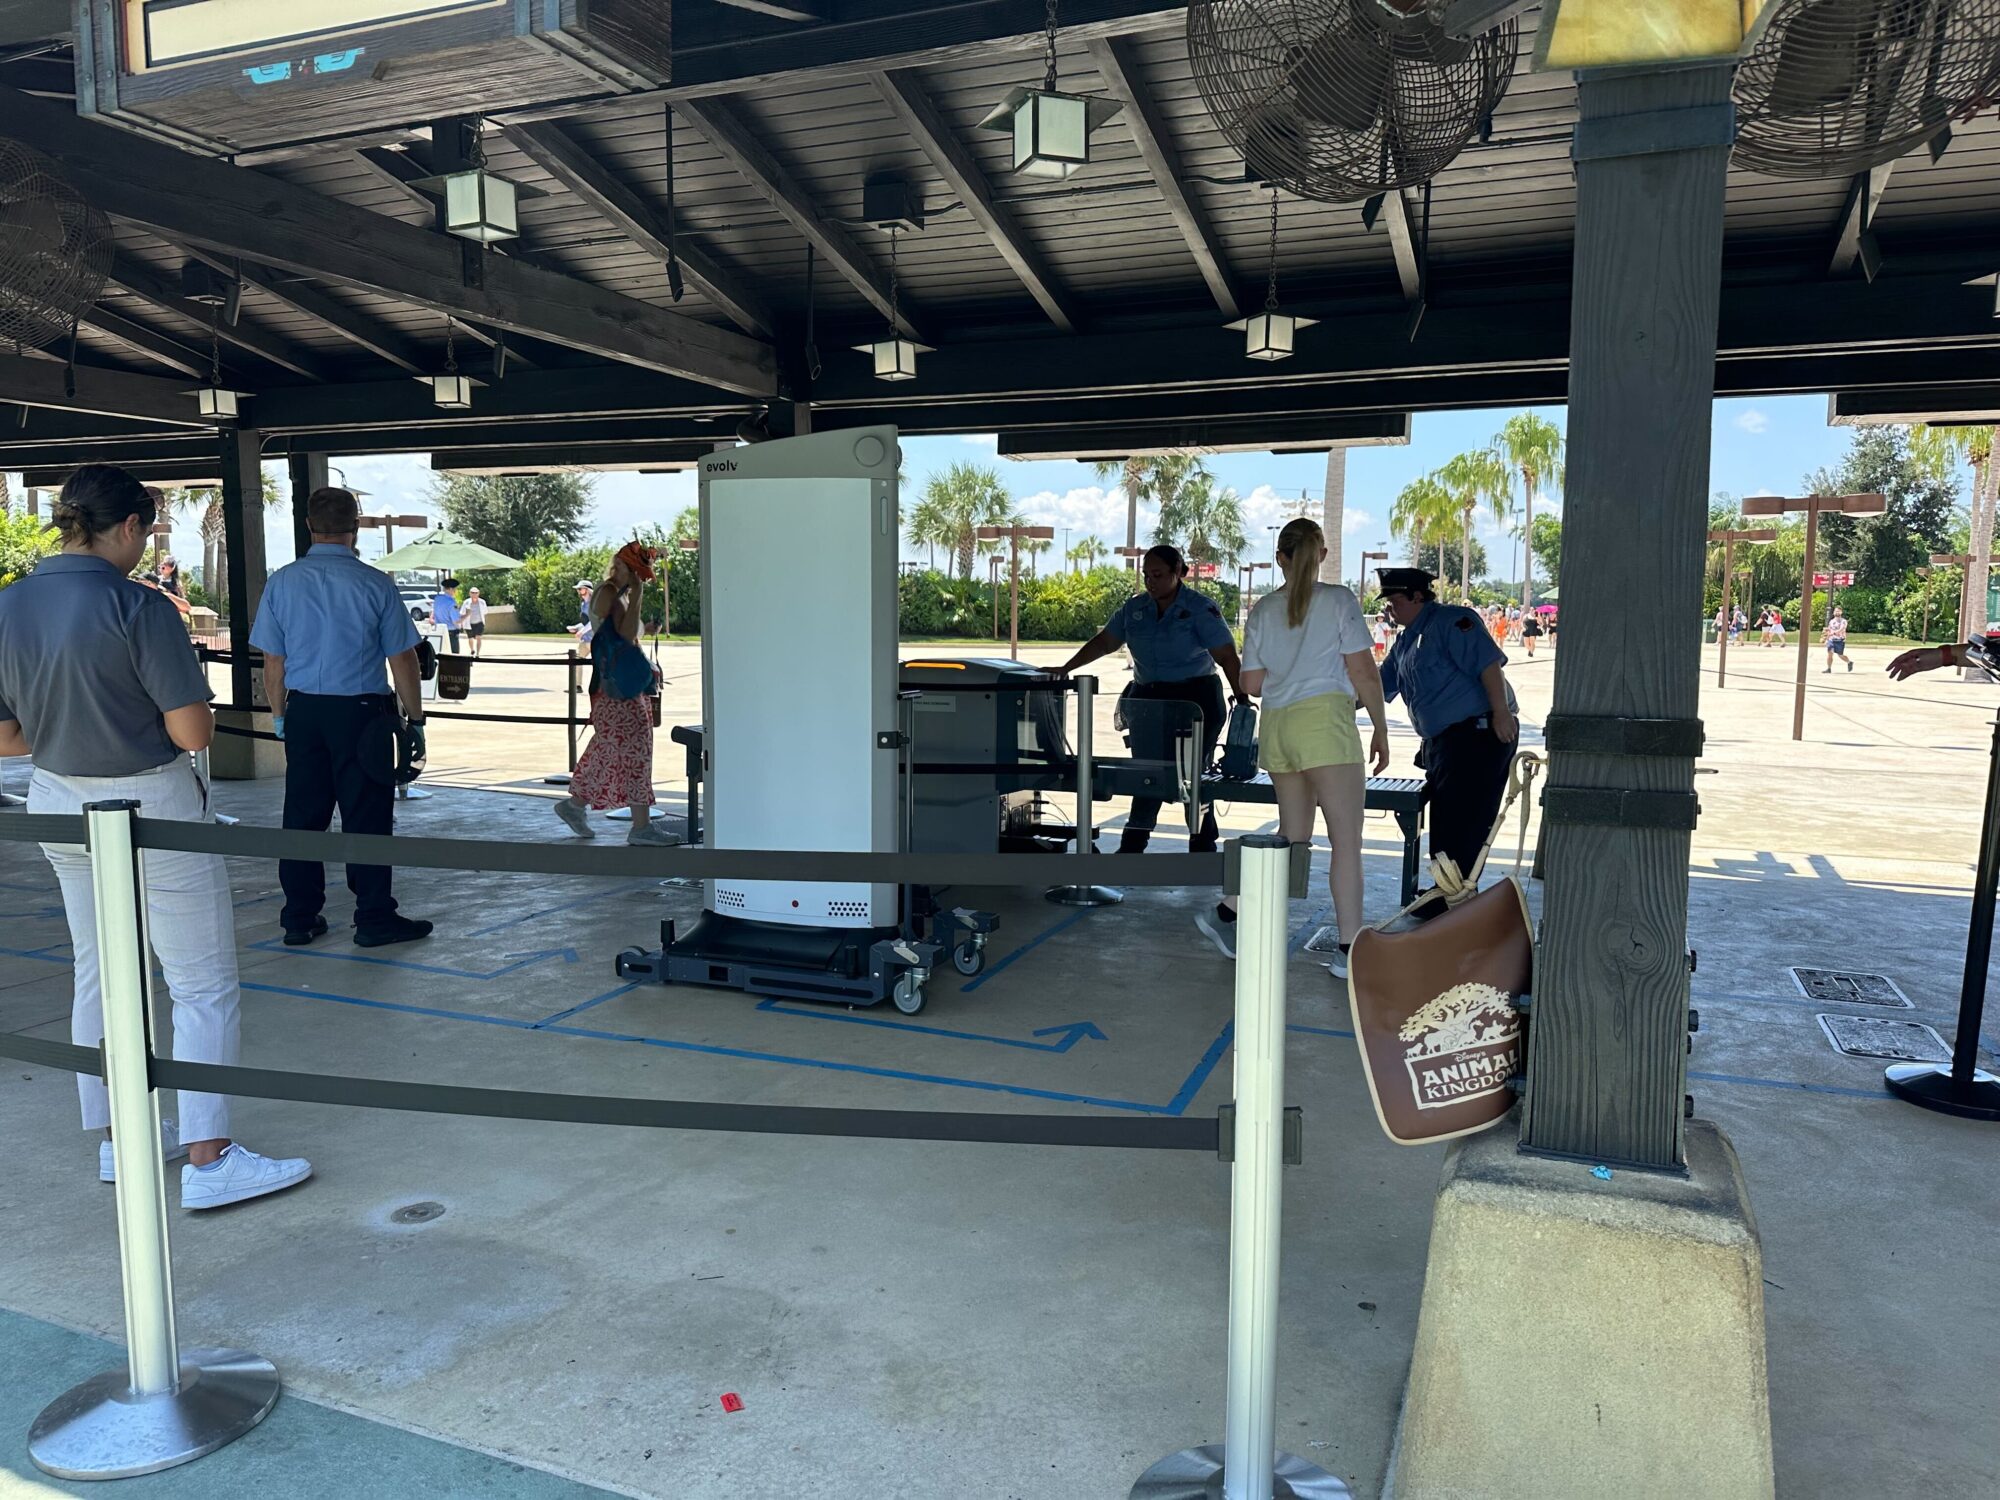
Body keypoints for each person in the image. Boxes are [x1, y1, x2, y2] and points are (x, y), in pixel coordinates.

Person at [0, 466, 310, 1208]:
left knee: (100, 971)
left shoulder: (9, 603)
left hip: (56, 800)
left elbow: (7, 738)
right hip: (152, 801)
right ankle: (210, 1155)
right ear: (131, 527)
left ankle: (120, 1138)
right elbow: (191, 728)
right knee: (200, 982)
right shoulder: (138, 606)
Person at [1193, 519, 1389, 978]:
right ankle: (1348, 951)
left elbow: (1252, 683)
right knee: (1346, 843)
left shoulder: (1262, 609)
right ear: (1320, 555)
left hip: (1280, 727)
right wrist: (1379, 726)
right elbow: (1364, 671)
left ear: (1280, 557)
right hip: (1326, 727)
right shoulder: (1339, 601)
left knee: (1291, 836)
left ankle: (1229, 912)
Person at [252, 487, 433, 948]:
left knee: (302, 815)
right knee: (367, 816)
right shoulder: (375, 584)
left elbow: (273, 662)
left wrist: (279, 717)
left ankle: (299, 916)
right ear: (356, 528)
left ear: (310, 526)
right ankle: (373, 916)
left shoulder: (283, 582)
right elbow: (404, 659)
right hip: (361, 714)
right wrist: (415, 720)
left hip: (305, 710)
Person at [1052, 543, 1245, 854]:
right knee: (1146, 773)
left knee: (1190, 774)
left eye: (1157, 574)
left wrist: (1242, 697)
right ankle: (1133, 845)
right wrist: (1065, 668)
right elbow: (1105, 642)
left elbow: (1226, 656)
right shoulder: (1135, 609)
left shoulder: (1199, 608)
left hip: (1195, 700)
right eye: (1146, 575)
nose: (1150, 581)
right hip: (1148, 702)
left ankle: (1202, 844)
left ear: (1178, 572)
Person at [1376, 566, 1520, 918]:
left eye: (1396, 601)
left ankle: (1457, 899)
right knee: (1446, 819)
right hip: (1445, 743)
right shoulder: (1407, 640)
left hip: (1480, 734)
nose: (1390, 609)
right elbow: (1378, 686)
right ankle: (1447, 891)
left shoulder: (1454, 622)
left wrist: (1501, 713)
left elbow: (1489, 667)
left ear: (1418, 597)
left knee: (1467, 820)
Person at [551, 542, 675, 846]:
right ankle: (640, 826)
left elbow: (629, 632)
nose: (639, 578)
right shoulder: (610, 593)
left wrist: (642, 620)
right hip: (619, 691)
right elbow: (624, 634)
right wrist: (637, 598)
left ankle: (576, 806)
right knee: (635, 750)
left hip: (614, 688)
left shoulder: (614, 594)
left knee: (608, 748)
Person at [432, 576, 462, 654]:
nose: (456, 591)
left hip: (439, 631)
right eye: (455, 589)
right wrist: (467, 615)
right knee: (454, 658)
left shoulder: (437, 599)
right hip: (451, 633)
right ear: (451, 589)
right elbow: (456, 621)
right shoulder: (451, 603)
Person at [567, 579, 596, 649]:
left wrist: (581, 632)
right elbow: (586, 623)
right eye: (577, 589)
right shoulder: (583, 605)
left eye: (580, 589)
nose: (578, 591)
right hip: (587, 639)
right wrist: (576, 627)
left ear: (587, 589)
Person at [462, 586, 488, 658]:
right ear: (470, 593)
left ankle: (478, 653)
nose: (474, 594)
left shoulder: (482, 602)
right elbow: (462, 612)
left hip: (479, 622)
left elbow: (485, 611)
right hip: (469, 623)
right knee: (470, 638)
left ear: (478, 593)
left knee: (478, 637)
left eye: (476, 593)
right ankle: (472, 650)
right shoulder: (466, 602)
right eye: (472, 593)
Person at [1824, 604, 1851, 673]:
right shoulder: (1831, 621)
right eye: (1836, 611)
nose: (1837, 612)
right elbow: (1829, 630)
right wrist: (1826, 638)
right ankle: (1829, 668)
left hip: (1840, 640)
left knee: (1840, 655)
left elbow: (1842, 629)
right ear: (1833, 612)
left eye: (1838, 611)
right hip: (1832, 640)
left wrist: (1834, 632)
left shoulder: (1844, 621)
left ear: (1841, 612)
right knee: (1830, 653)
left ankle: (1849, 662)